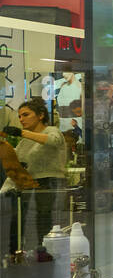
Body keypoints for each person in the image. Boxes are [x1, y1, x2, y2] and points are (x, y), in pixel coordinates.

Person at [4, 98, 67, 247]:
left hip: (49, 182)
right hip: (28, 184)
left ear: (40, 115)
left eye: (26, 115)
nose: (21, 119)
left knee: (44, 219)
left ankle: (45, 251)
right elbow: (17, 163)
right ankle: (17, 252)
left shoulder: (51, 130)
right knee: (19, 218)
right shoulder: (24, 142)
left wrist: (22, 133)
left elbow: (54, 141)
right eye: (19, 116)